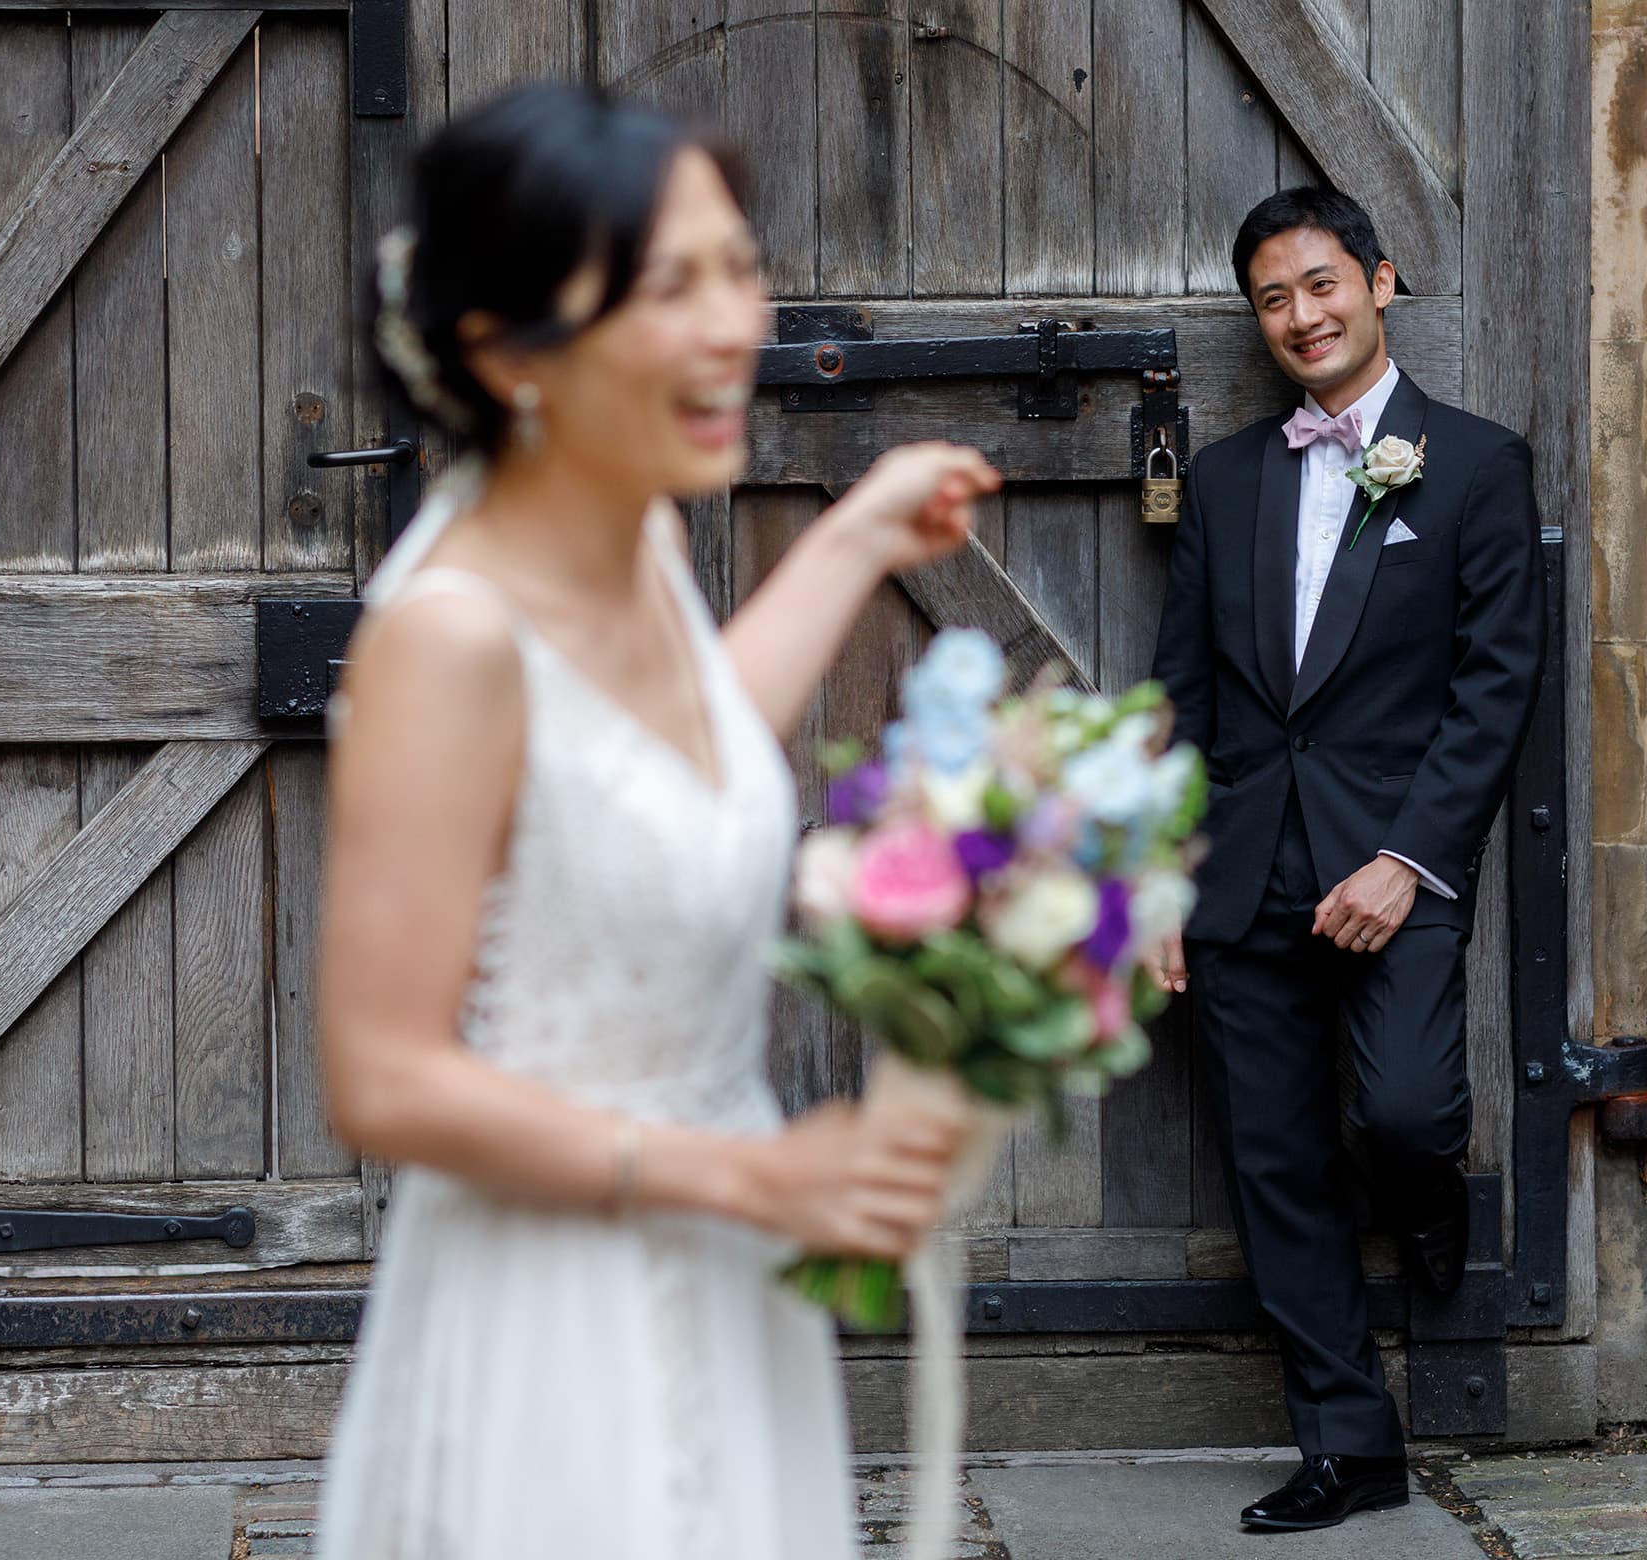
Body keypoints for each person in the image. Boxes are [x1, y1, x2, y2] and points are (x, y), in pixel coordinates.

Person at [311, 83, 1001, 1560]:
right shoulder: (448, 639)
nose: (734, 323)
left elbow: (664, 774)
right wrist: (750, 1175)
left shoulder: (629, 528)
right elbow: (381, 1079)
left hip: (726, 1276)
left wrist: (860, 533)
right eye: (667, 287)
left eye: (738, 268)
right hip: (553, 1326)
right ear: (508, 354)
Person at [1149, 188, 1544, 1534]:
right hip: (1241, 869)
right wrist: (1158, 876)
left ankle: (1429, 1207)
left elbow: (1497, 687)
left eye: (1322, 284)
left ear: (1378, 283)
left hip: (1393, 867)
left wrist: (1410, 860)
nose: (1302, 316)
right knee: (1275, 1162)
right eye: (1273, 298)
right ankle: (1350, 1445)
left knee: (1405, 1115)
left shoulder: (1480, 465)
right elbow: (1182, 696)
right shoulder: (1225, 480)